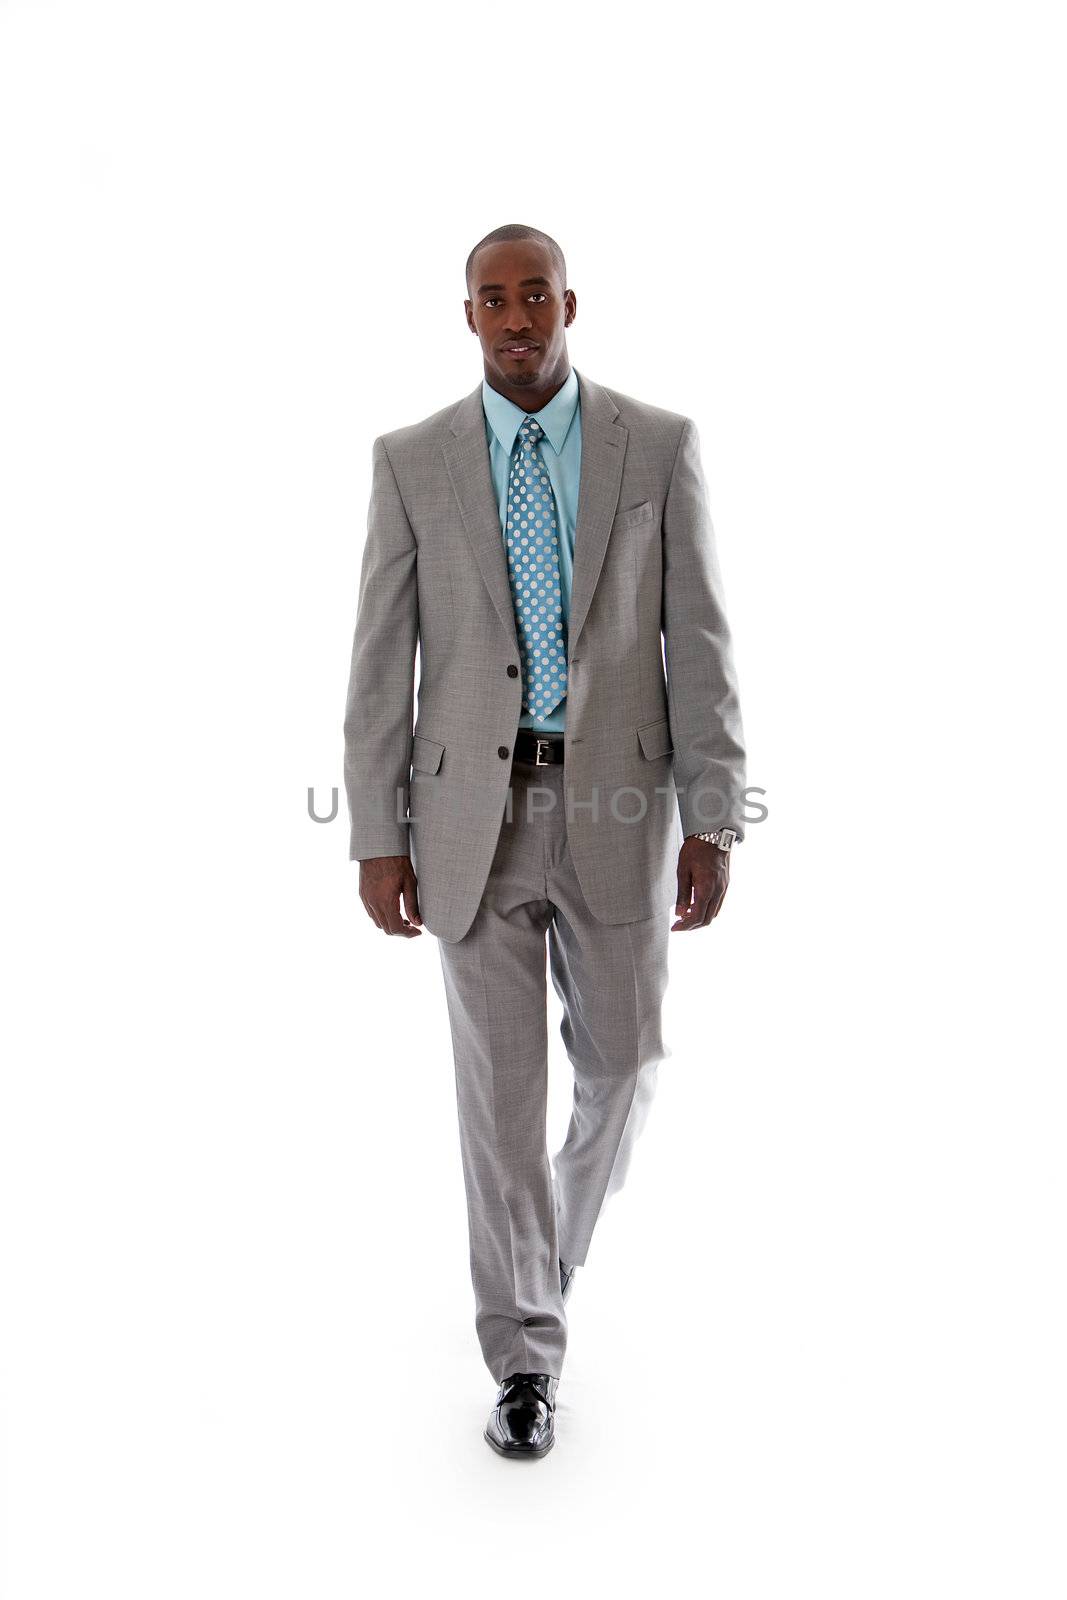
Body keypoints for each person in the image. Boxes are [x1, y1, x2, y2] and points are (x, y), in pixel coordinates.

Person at [343, 222, 746, 1460]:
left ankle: (546, 1258)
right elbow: (379, 657)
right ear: (465, 316)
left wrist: (715, 811)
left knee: (623, 1064)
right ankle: (523, 1352)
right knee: (499, 1105)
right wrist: (374, 830)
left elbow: (701, 642)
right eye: (491, 300)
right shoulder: (413, 461)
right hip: (469, 819)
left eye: (535, 297)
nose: (516, 319)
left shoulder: (654, 446)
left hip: (620, 813)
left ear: (570, 303)